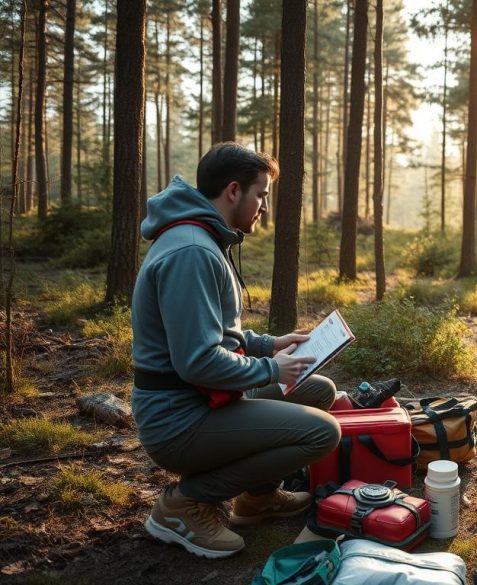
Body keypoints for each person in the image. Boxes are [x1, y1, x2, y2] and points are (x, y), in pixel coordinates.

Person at [131, 143, 342, 559]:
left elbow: (216, 335)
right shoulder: (192, 252)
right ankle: (183, 505)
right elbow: (198, 361)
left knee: (316, 389)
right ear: (233, 191)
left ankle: (258, 499)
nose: (264, 205)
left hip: (202, 400)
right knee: (322, 431)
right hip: (179, 421)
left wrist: (269, 345)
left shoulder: (202, 239)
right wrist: (269, 368)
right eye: (261, 194)